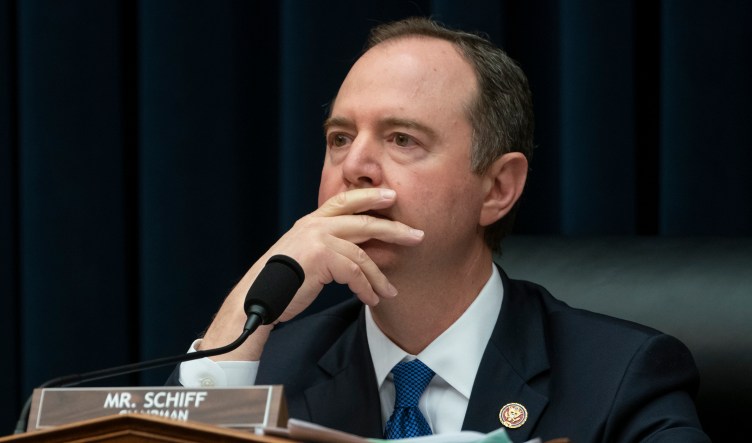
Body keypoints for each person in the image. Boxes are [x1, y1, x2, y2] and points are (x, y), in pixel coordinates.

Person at [172, 17, 710, 442]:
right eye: (340, 138)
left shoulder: (619, 379)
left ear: (498, 188)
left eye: (402, 139)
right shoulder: (263, 370)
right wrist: (243, 320)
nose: (354, 166)